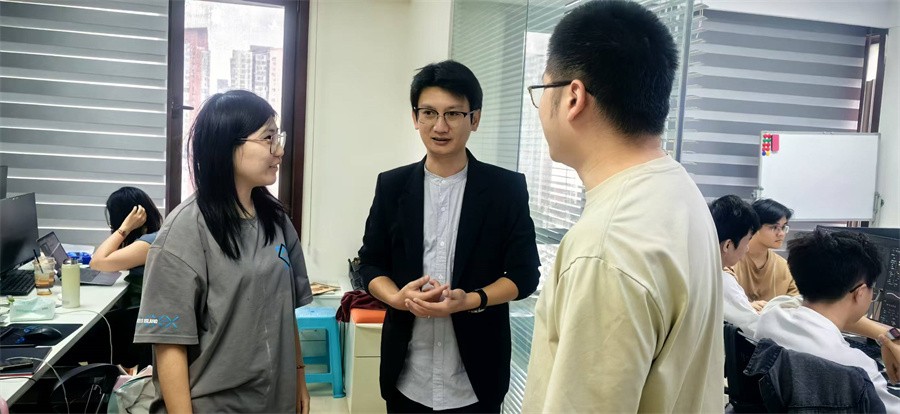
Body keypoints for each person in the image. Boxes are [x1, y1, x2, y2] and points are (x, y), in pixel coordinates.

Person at [522, 1, 723, 412]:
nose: (541, 111)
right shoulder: (678, 191)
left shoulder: (606, 247)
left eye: (542, 91)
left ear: (573, 97)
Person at [357, 60, 540, 413]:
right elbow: (370, 263)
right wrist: (396, 298)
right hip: (407, 377)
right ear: (415, 117)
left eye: (454, 114)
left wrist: (471, 300)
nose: (440, 126)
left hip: (475, 380)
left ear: (475, 118)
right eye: (429, 112)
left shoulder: (505, 189)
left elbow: (525, 275)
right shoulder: (392, 185)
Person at [134, 90, 313, 413]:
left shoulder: (276, 220)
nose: (279, 150)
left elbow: (285, 313)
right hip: (215, 404)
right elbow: (169, 343)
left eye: (278, 137)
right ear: (227, 145)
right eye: (268, 138)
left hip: (276, 398)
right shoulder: (184, 231)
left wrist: (299, 375)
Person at [754, 229, 900, 410]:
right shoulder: (857, 369)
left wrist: (890, 336)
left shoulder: (771, 316)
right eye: (873, 290)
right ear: (861, 292)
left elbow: (809, 306)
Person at [90, 186, 163, 308]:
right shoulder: (149, 238)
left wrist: (124, 228)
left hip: (138, 314)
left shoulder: (150, 243)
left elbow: (96, 263)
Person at [709, 195, 763, 335]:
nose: (747, 249)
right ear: (728, 245)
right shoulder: (722, 281)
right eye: (747, 241)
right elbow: (754, 329)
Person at [732, 198, 799, 302]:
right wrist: (747, 306)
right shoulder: (731, 260)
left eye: (783, 227)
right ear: (755, 226)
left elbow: (796, 302)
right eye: (774, 227)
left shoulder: (784, 267)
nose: (781, 234)